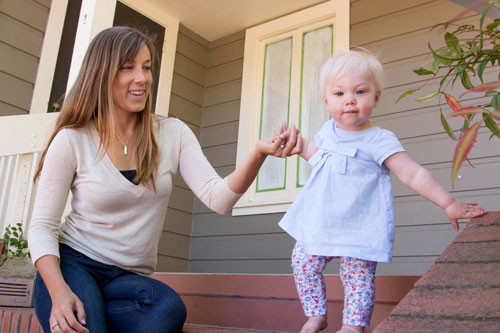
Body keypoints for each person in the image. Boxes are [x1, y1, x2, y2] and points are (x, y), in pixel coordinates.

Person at [28, 26, 299, 333]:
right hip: (74, 265)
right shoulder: (73, 139)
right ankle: (83, 308)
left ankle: (95, 310)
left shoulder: (173, 133)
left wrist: (258, 153)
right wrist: (59, 292)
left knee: (169, 310)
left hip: (127, 280)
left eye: (146, 67)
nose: (142, 78)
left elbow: (218, 198)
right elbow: (41, 228)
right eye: (128, 68)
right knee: (84, 322)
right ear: (102, 73)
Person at [277, 49, 486, 333]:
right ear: (326, 102)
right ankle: (316, 314)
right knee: (302, 259)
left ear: (376, 97)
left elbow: (412, 173)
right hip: (322, 219)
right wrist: (300, 146)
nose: (350, 99)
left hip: (360, 224)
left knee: (357, 276)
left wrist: (448, 203)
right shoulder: (327, 131)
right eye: (339, 94)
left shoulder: (379, 140)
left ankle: (353, 326)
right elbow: (322, 161)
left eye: (360, 91)